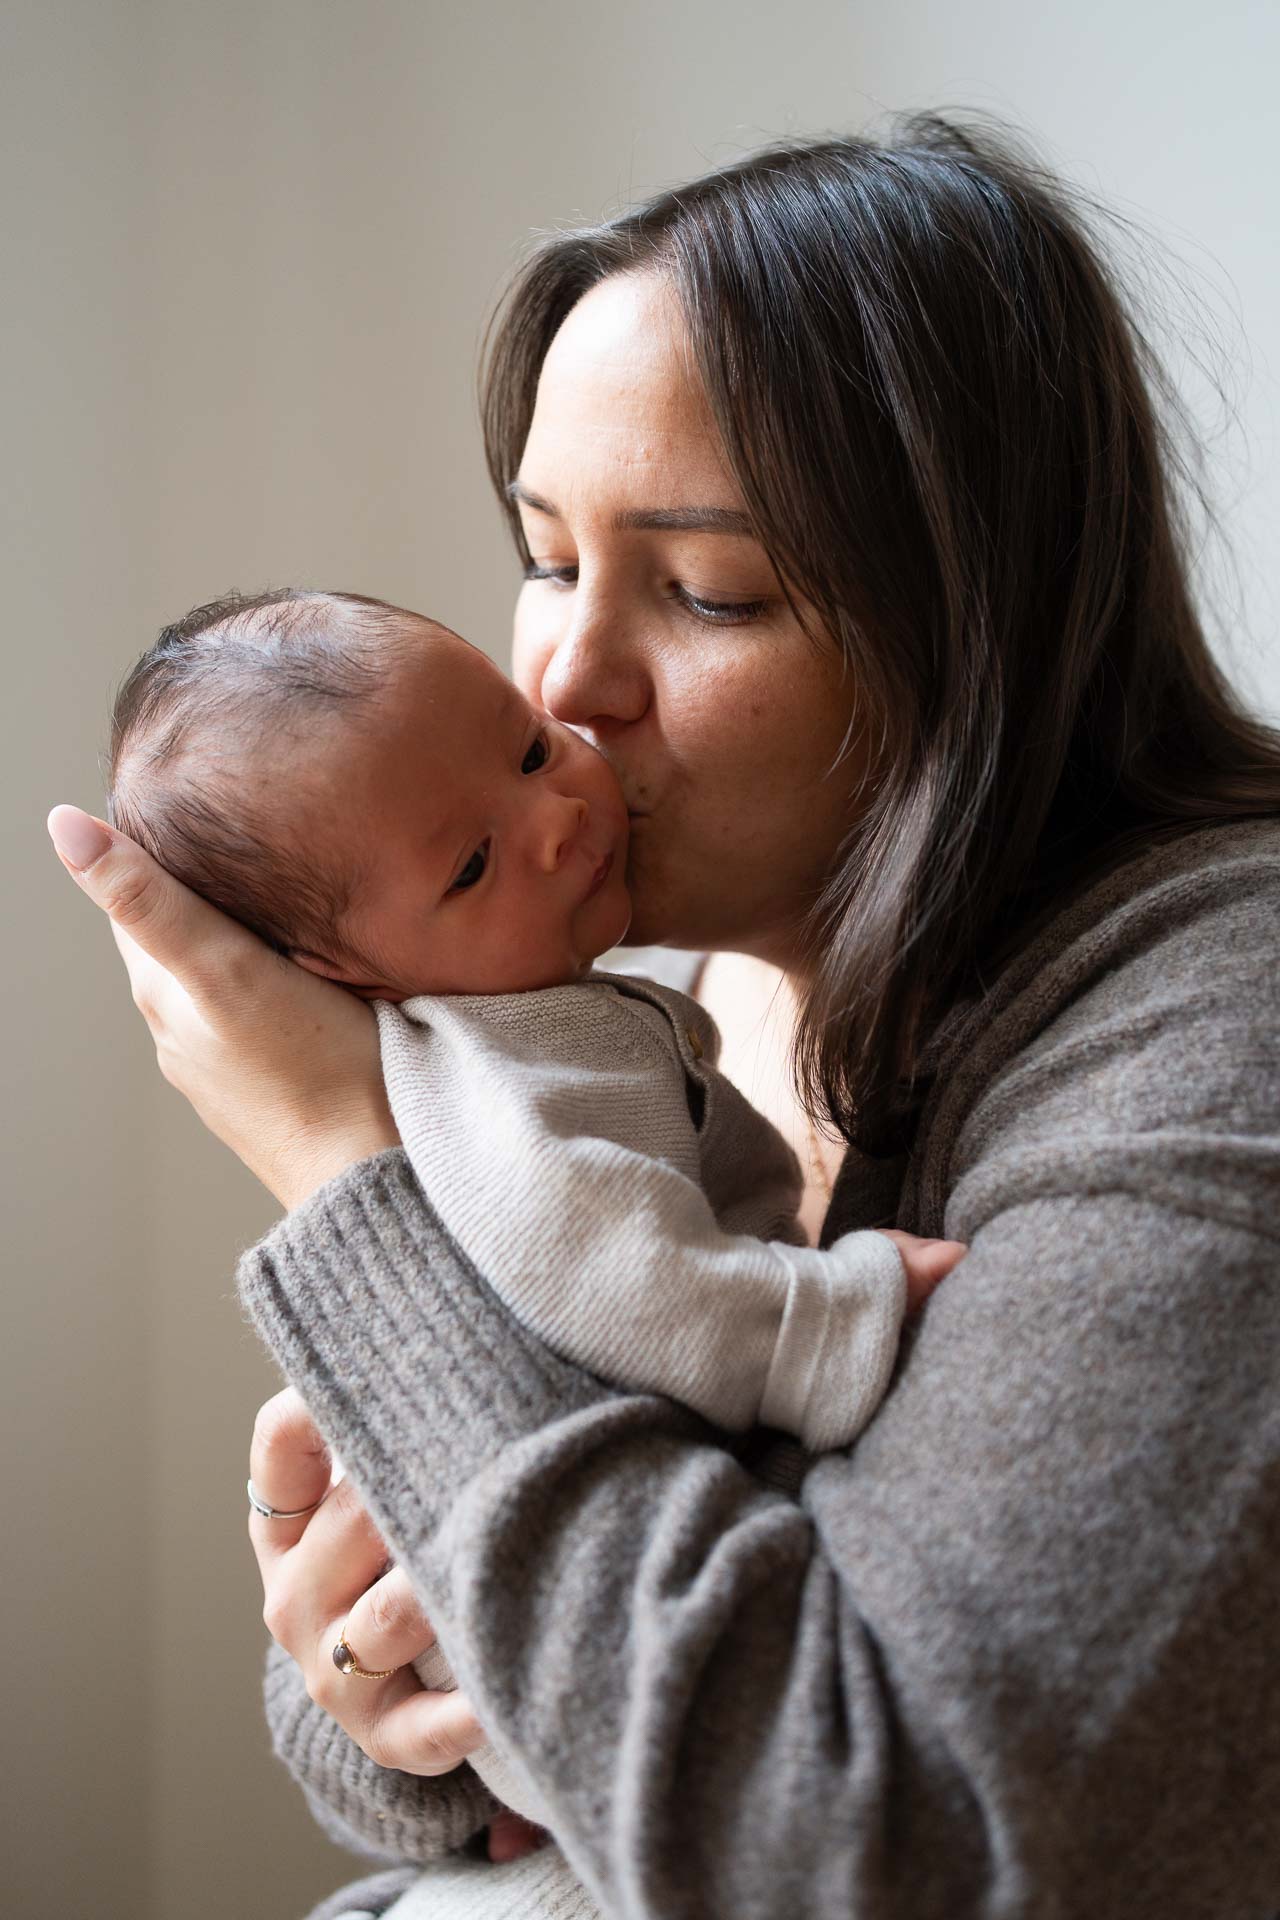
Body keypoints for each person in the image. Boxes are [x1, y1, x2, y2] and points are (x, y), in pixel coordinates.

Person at [48, 112, 1280, 1920]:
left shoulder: (1216, 1018)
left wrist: (339, 1165)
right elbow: (476, 1713)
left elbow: (867, 1843)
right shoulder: (680, 1003)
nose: (562, 678)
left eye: (706, 590)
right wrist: (362, 1683)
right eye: (547, 557)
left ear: (985, 624)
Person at [104, 585, 964, 1828]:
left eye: (522, 747)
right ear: (340, 968)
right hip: (544, 1670)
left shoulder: (571, 982)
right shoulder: (506, 1085)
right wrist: (837, 1317)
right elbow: (613, 1274)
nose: (559, 810)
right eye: (467, 864)